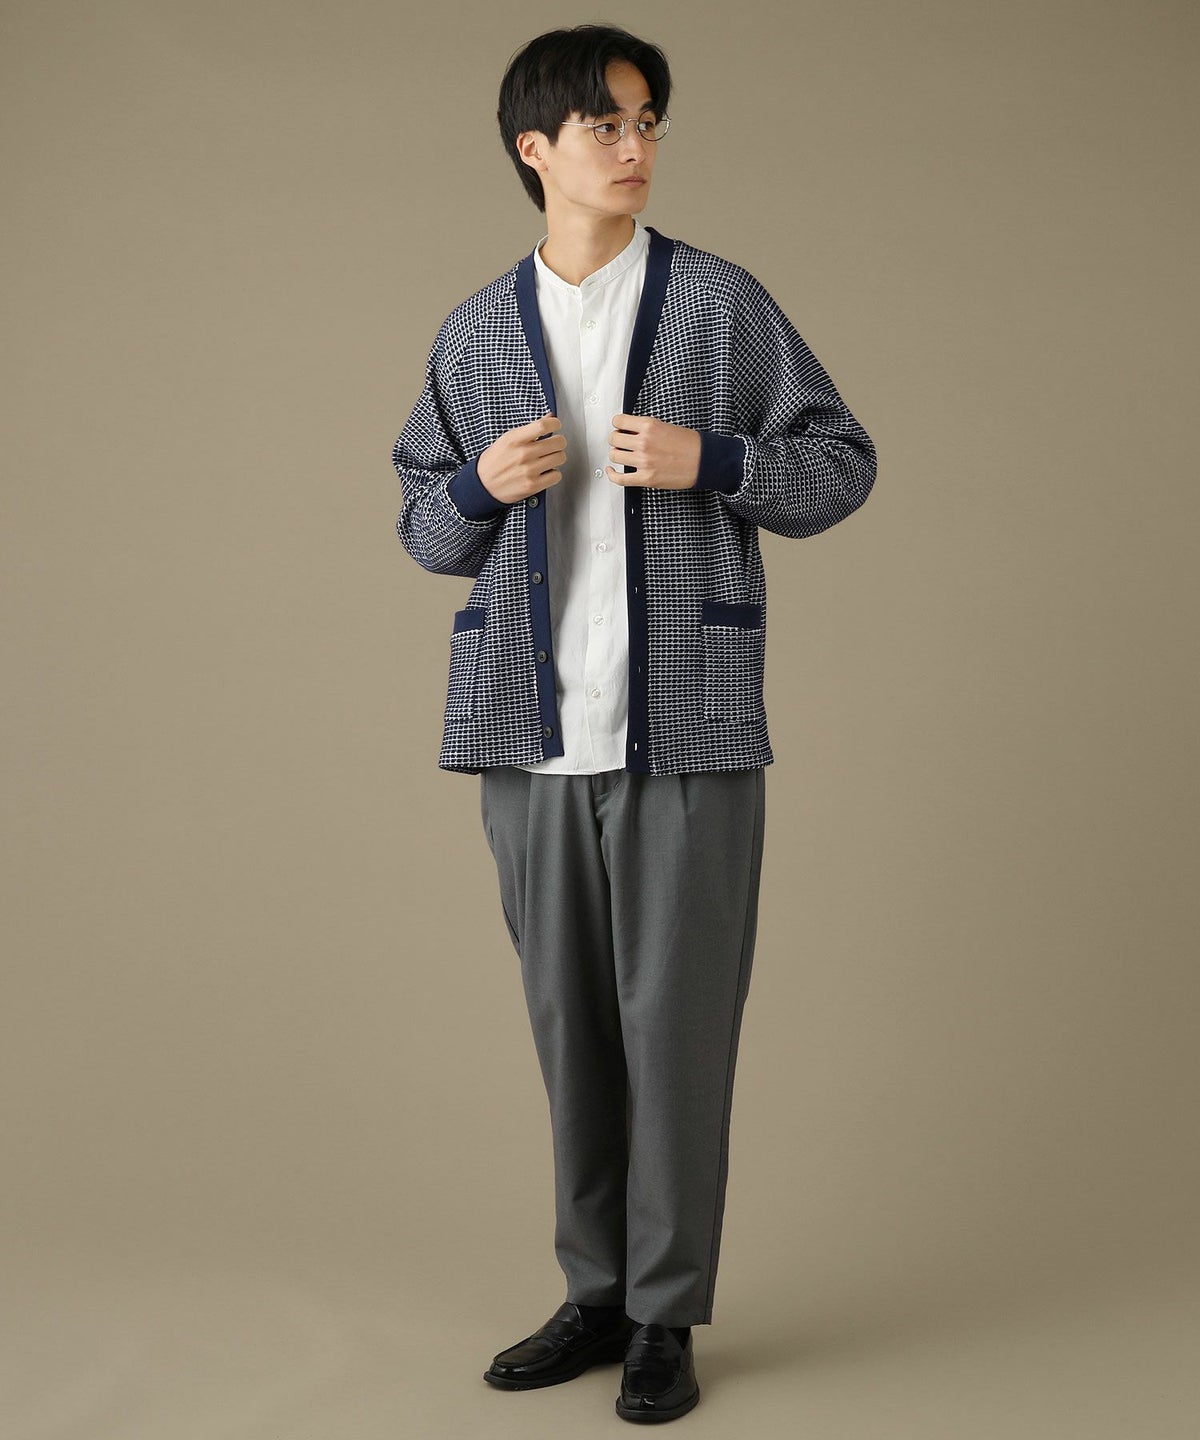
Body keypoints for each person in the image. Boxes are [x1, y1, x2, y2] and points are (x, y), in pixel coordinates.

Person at [391, 22, 876, 1424]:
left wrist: (712, 460)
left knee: (678, 1030)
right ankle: (592, 1291)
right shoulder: (474, 331)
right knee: (572, 1027)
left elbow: (841, 463)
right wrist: (479, 487)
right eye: (606, 124)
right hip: (526, 734)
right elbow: (422, 525)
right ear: (535, 149)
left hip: (690, 727)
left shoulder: (719, 305)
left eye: (648, 120)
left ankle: (665, 1314)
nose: (635, 145)